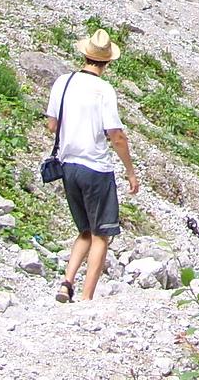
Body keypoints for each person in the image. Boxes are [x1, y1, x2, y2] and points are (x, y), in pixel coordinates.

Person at [47, 29, 138, 302]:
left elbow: (52, 124)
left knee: (84, 230)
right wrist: (130, 172)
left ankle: (66, 283)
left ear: (85, 55)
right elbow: (116, 135)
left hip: (68, 166)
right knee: (101, 234)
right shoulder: (103, 90)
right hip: (96, 168)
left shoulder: (63, 82)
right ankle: (86, 298)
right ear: (107, 61)